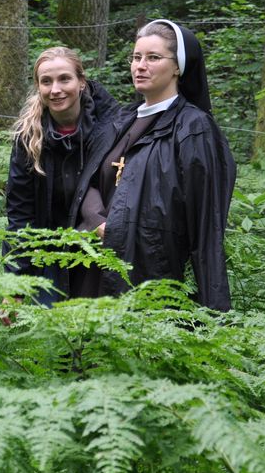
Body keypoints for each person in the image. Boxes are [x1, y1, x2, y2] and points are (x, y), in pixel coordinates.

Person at [77, 20, 236, 311]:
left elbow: (205, 220)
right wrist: (98, 221)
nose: (140, 66)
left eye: (153, 57)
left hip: (156, 274)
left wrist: (212, 306)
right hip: (99, 263)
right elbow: (88, 181)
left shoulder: (193, 128)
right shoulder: (122, 120)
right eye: (136, 57)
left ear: (178, 67)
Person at [4, 47, 119, 303]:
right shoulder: (28, 137)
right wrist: (15, 282)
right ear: (38, 87)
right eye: (46, 81)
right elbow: (20, 211)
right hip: (51, 253)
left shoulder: (113, 127)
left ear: (81, 82)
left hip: (101, 249)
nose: (55, 89)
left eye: (64, 79)